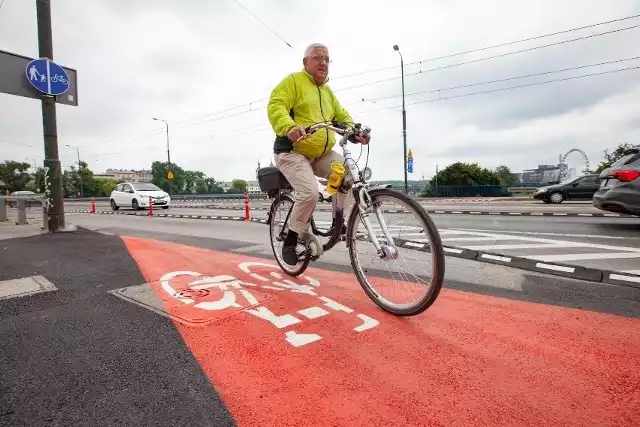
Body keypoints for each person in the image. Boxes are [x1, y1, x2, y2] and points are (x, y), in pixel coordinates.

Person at [267, 43, 371, 265]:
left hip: (320, 154)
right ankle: (291, 240)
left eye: (327, 58)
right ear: (305, 62)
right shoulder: (293, 82)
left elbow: (342, 117)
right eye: (317, 58)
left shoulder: (327, 92)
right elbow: (276, 106)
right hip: (292, 151)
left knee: (349, 174)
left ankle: (341, 224)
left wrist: (355, 132)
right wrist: (289, 127)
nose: (323, 62)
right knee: (310, 193)